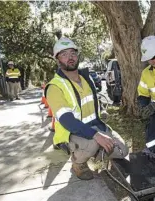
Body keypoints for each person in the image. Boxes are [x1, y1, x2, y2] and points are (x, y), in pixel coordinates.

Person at [45, 37, 128, 180]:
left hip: (95, 126)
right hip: (72, 132)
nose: (70, 58)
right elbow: (67, 120)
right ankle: (78, 162)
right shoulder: (55, 86)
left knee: (123, 151)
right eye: (64, 54)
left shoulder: (86, 78)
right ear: (57, 60)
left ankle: (98, 151)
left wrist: (101, 117)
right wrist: (97, 136)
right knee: (91, 143)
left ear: (77, 56)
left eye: (72, 53)